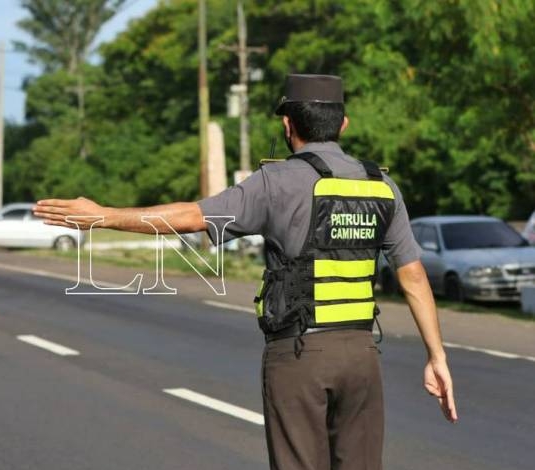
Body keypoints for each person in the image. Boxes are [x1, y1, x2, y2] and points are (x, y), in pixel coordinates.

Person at [33, 73, 457, 470]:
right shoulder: (381, 185)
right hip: (363, 355)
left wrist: (103, 216)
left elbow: (192, 216)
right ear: (343, 124)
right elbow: (413, 276)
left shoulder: (276, 181)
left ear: (288, 124)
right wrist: (436, 357)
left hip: (299, 355)